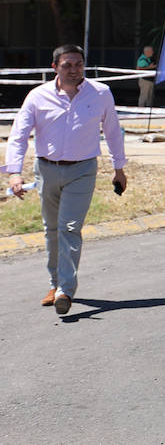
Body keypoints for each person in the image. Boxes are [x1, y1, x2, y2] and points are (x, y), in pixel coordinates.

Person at [6, 44, 128, 316]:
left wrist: (119, 168)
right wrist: (14, 172)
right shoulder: (37, 97)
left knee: (69, 227)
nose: (74, 70)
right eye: (67, 65)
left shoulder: (100, 94)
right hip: (46, 170)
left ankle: (66, 289)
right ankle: (54, 283)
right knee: (51, 229)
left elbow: (112, 132)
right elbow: (18, 134)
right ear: (55, 68)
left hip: (83, 170)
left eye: (78, 64)